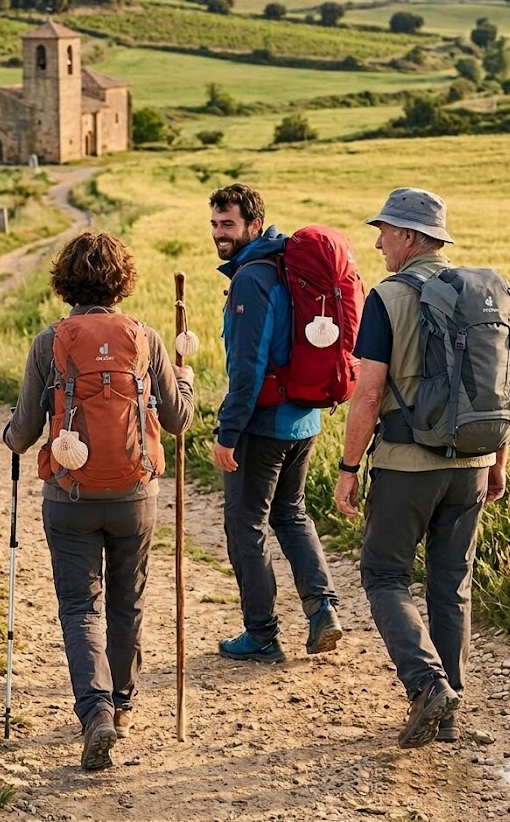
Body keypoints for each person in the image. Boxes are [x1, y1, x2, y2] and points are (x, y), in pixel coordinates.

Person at [3, 231, 194, 771]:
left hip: (70, 495)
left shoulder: (50, 341)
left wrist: (7, 437)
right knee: (127, 600)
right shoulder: (147, 337)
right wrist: (186, 381)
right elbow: (180, 420)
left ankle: (95, 713)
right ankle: (125, 702)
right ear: (122, 281)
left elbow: (22, 433)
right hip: (136, 495)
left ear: (65, 280)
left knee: (79, 606)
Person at [334, 188, 508, 749]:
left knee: (384, 574)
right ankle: (448, 708)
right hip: (475, 462)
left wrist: (348, 466)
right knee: (451, 581)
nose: (378, 240)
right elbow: (503, 387)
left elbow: (368, 393)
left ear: (410, 237)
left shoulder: (388, 296)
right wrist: (498, 462)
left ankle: (428, 686)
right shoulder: (484, 292)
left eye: (385, 230)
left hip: (408, 463)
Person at [209, 184, 342, 664]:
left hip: (261, 425)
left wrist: (227, 433)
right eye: (215, 224)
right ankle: (323, 607)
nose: (220, 234)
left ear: (253, 226)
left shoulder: (253, 277)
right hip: (303, 421)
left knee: (246, 526)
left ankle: (262, 633)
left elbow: (248, 365)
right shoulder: (286, 266)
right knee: (291, 514)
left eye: (229, 225)